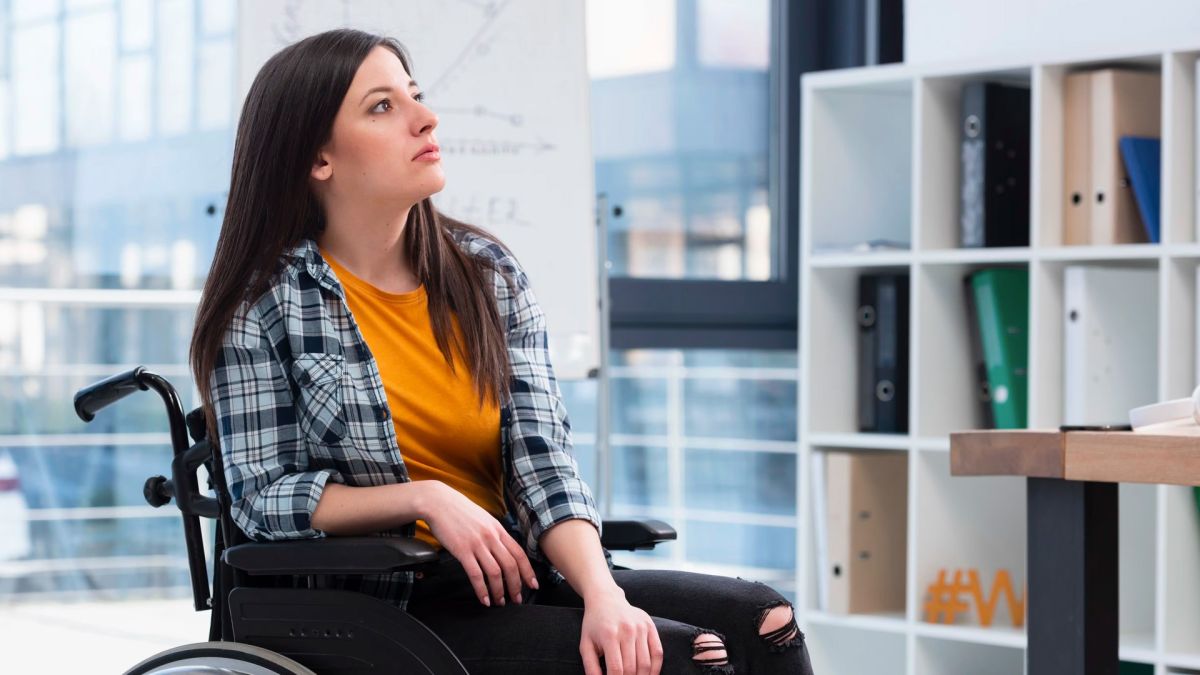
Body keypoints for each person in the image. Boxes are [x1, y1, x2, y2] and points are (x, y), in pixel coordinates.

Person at [190, 28, 812, 675]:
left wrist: (604, 594)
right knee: (688, 658)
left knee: (763, 621)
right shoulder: (264, 301)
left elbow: (543, 467)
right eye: (383, 107)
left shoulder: (487, 274)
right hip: (388, 603)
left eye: (416, 96)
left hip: (518, 571)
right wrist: (424, 497)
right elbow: (262, 495)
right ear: (319, 158)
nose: (425, 118)